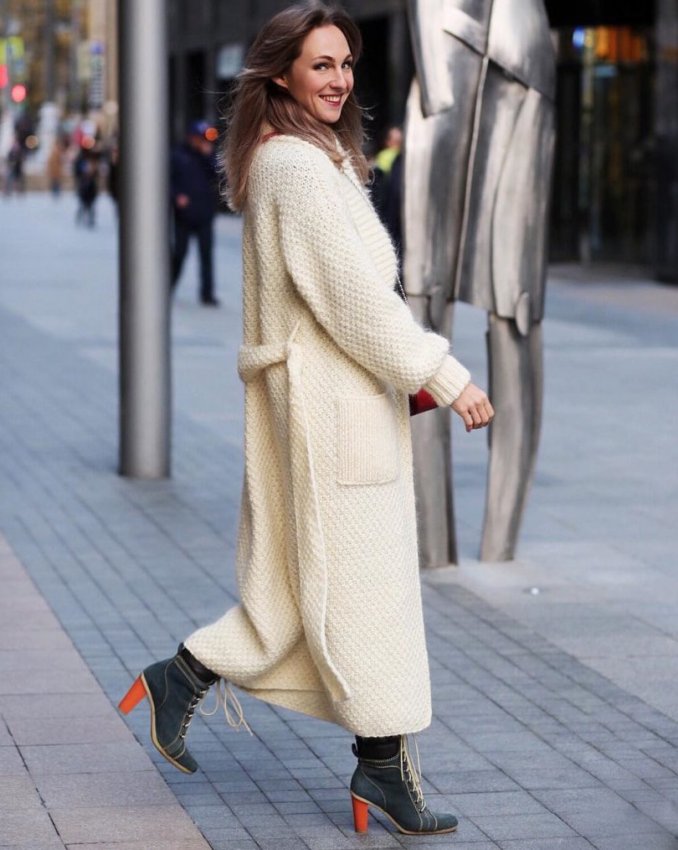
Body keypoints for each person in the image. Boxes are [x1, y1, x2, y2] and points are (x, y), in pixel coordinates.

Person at [119, 2, 494, 836]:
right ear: (282, 72)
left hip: (335, 409)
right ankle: (379, 768)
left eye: (346, 64)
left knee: (306, 592)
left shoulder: (312, 158)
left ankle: (189, 681)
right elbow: (355, 301)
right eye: (322, 64)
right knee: (363, 599)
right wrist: (444, 373)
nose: (340, 80)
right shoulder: (295, 166)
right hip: (332, 415)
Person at [170, 120, 220, 306]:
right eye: (201, 138)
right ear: (191, 137)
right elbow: (167, 181)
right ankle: (168, 287)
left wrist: (208, 157)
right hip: (183, 216)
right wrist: (176, 196)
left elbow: (220, 177)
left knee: (206, 255)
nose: (203, 143)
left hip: (204, 214)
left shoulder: (209, 157)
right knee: (179, 254)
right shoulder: (178, 156)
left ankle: (207, 294)